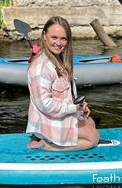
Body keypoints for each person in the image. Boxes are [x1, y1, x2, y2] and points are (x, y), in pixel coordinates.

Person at [27, 16, 99, 151]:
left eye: (63, 39)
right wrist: (73, 108)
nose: (59, 43)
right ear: (44, 36)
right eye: (54, 37)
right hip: (47, 120)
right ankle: (47, 145)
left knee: (91, 122)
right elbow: (45, 105)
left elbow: (65, 94)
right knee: (93, 137)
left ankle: (48, 139)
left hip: (59, 115)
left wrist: (79, 106)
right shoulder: (40, 67)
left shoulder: (59, 59)